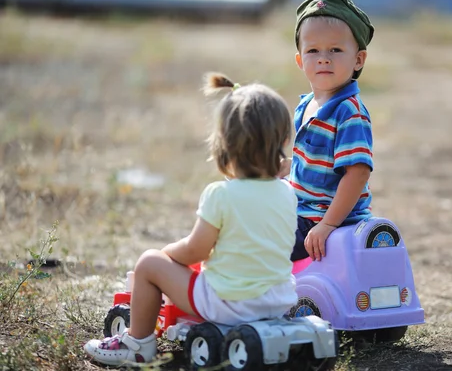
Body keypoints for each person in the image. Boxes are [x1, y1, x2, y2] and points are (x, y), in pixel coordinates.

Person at [84, 73, 298, 366]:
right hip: (276, 301)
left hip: (228, 304)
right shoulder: (287, 193)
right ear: (284, 140)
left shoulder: (221, 194)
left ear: (223, 143)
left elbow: (196, 251)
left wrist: (167, 254)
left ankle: (136, 343)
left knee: (148, 263)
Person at [282, 0, 375, 263]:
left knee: (261, 243)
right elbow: (314, 165)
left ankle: (248, 297)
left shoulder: (349, 112)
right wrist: (284, 168)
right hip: (301, 212)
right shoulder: (306, 104)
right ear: (300, 60)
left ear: (358, 59)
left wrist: (328, 225)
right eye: (313, 50)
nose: (323, 58)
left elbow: (356, 174)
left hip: (323, 220)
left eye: (335, 49)